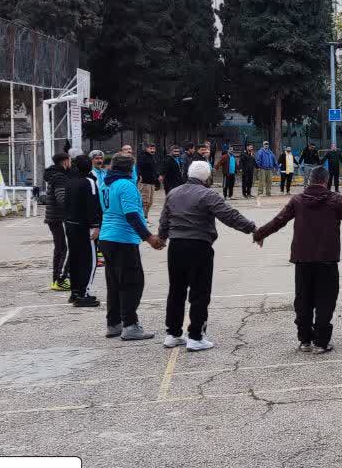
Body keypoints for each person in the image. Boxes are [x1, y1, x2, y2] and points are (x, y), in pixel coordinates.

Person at [253, 167, 342, 353]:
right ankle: (321, 342)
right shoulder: (335, 200)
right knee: (326, 300)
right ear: (326, 181)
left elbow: (279, 220)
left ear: (310, 180)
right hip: (327, 259)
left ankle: (305, 340)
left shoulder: (297, 200)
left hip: (303, 258)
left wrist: (259, 234)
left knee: (303, 300)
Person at [158, 160, 256, 352]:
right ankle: (196, 336)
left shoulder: (173, 193)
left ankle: (173, 333)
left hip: (176, 245)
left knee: (176, 290)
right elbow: (229, 215)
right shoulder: (208, 194)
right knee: (200, 291)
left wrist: (162, 238)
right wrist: (252, 228)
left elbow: (164, 219)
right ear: (207, 177)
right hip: (199, 245)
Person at [98, 153, 165, 340]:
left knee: (114, 283)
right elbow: (132, 215)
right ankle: (130, 325)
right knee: (132, 283)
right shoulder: (126, 185)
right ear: (131, 169)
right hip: (122, 239)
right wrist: (149, 237)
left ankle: (114, 323)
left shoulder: (106, 184)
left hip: (107, 237)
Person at [63, 154, 102, 308]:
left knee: (75, 258)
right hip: (84, 226)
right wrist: (95, 225)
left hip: (70, 224)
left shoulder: (70, 181)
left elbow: (66, 203)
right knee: (89, 261)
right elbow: (92, 204)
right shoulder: (89, 182)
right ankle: (83, 294)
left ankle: (75, 292)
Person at [40, 152, 72, 292]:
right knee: (62, 248)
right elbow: (61, 198)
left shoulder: (54, 174)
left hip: (54, 216)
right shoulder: (60, 176)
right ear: (65, 162)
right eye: (70, 161)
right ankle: (59, 279)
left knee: (60, 248)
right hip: (58, 217)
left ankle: (57, 279)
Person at [136, 143, 160, 216]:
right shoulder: (142, 156)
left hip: (152, 182)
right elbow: (139, 167)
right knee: (144, 202)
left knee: (150, 202)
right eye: (150, 148)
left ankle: (145, 216)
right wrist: (139, 176)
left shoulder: (153, 157)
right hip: (144, 182)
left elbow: (154, 170)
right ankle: (142, 217)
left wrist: (157, 182)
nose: (152, 150)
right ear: (146, 148)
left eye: (153, 149)